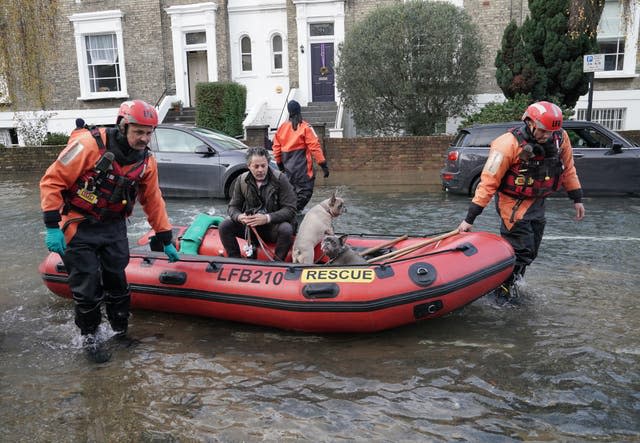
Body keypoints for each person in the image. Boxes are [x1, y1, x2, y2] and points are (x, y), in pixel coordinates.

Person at [40, 99, 179, 362]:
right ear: (123, 125)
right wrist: (51, 226)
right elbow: (51, 181)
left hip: (113, 225)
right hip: (78, 223)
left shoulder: (147, 162)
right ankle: (89, 339)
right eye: (139, 131)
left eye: (149, 133)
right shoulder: (89, 145)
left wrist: (165, 237)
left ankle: (119, 332)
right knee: (87, 287)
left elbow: (153, 199)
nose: (144, 138)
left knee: (118, 283)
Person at [457, 101, 585, 301]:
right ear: (529, 122)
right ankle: (502, 292)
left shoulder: (561, 138)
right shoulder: (507, 144)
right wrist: (470, 219)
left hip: (538, 203)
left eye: (551, 132)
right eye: (542, 131)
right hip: (512, 205)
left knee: (531, 252)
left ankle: (513, 283)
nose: (547, 136)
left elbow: (568, 169)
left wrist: (577, 198)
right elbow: (488, 182)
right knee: (521, 250)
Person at [219, 147, 297, 262]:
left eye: (263, 166)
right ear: (249, 166)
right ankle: (235, 260)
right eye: (256, 166)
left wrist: (267, 218)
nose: (260, 170)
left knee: (286, 229)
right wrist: (240, 217)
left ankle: (277, 263)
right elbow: (233, 207)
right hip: (251, 228)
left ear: (268, 164)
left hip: (273, 228)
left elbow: (290, 209)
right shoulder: (241, 180)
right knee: (224, 226)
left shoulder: (281, 179)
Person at [272, 99, 329, 211]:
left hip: (288, 171)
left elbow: (276, 148)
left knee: (291, 194)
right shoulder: (306, 127)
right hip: (303, 171)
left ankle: (289, 213)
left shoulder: (282, 128)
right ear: (299, 111)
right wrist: (323, 165)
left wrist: (280, 165)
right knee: (305, 193)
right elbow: (315, 147)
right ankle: (292, 213)